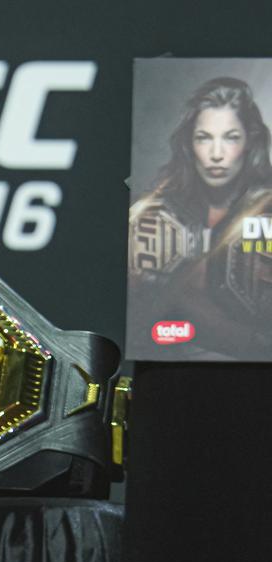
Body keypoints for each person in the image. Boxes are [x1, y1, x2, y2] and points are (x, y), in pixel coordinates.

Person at [128, 77, 272, 357]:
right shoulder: (153, 212)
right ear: (188, 144)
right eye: (204, 137)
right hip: (159, 368)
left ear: (249, 143)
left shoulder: (266, 212)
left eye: (231, 137)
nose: (216, 154)